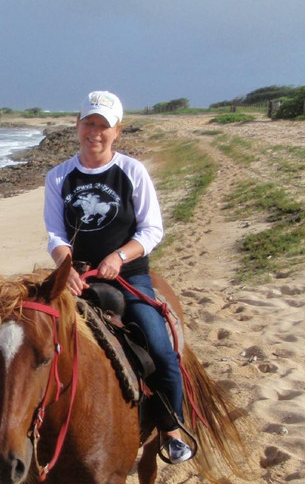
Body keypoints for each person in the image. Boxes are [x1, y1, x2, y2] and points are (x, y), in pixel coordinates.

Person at [43, 90, 194, 464]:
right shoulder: (58, 176)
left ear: (117, 132)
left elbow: (152, 229)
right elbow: (55, 234)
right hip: (77, 276)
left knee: (160, 348)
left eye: (104, 126)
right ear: (77, 125)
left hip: (129, 275)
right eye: (89, 123)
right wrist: (66, 267)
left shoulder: (132, 171)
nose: (95, 132)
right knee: (35, 338)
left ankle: (171, 427)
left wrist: (119, 256)